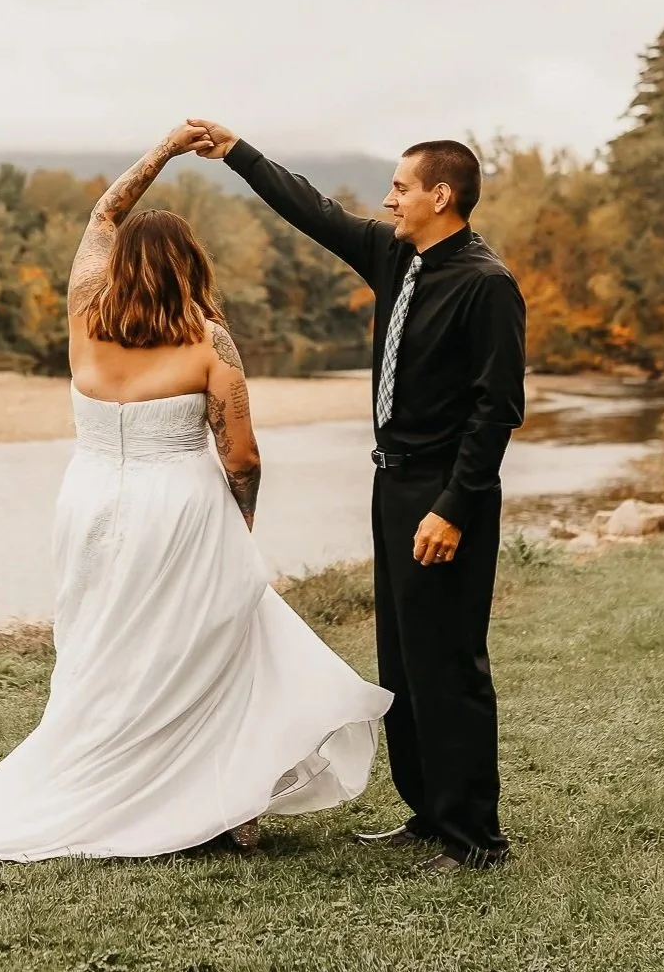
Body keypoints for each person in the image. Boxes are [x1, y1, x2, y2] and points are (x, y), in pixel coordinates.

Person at [0, 124, 390, 860]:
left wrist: (160, 152)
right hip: (181, 506)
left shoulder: (84, 314)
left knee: (105, 647)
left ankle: (148, 785)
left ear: (120, 264)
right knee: (203, 644)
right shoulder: (209, 343)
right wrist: (240, 516)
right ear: (192, 265)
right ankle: (222, 802)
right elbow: (241, 454)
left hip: (89, 503)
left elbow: (102, 214)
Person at [188, 120, 526, 871]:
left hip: (443, 493)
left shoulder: (485, 282)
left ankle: (475, 837)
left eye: (401, 188)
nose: (387, 199)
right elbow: (312, 209)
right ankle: (427, 812)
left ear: (442, 195)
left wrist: (452, 507)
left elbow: (495, 409)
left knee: (449, 660)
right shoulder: (394, 255)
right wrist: (237, 153)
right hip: (390, 481)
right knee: (402, 657)